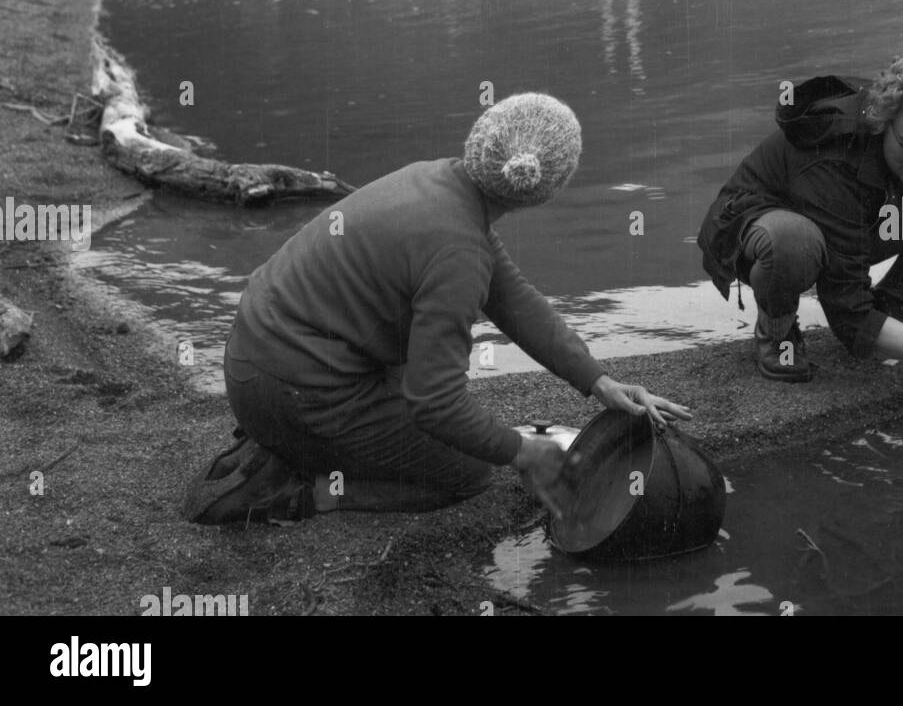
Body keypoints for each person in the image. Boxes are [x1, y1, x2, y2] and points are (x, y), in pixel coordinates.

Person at [187, 93, 690, 524]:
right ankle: (297, 491)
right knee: (467, 473)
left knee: (429, 392)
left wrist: (597, 381)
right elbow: (437, 404)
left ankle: (288, 443)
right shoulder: (457, 252)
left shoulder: (437, 182)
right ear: (547, 189)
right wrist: (523, 453)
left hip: (258, 361)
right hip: (289, 390)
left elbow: (512, 297)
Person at [697, 51, 903, 391]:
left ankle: (895, 302)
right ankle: (777, 331)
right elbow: (848, 311)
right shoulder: (835, 156)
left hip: (856, 218)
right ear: (884, 121)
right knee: (794, 241)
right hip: (758, 228)